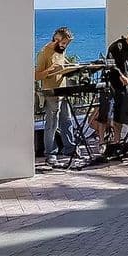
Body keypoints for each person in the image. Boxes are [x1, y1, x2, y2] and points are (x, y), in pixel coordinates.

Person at [35, 27, 77, 165]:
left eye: (67, 44)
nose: (65, 46)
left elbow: (63, 65)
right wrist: (50, 70)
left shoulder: (61, 51)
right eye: (64, 43)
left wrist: (70, 68)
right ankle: (50, 153)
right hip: (51, 92)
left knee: (67, 120)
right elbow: (36, 75)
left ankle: (70, 148)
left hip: (63, 91)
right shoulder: (44, 52)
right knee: (52, 123)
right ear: (56, 39)